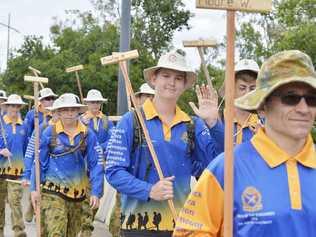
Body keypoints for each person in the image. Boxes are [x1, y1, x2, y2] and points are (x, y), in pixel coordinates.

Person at [173, 50, 316, 236]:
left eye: (312, 99)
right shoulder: (226, 168)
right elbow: (188, 232)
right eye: (291, 98)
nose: (303, 109)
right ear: (263, 105)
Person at [105, 49, 223, 237]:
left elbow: (218, 164)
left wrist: (214, 124)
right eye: (166, 76)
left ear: (184, 84)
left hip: (181, 225)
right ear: (153, 79)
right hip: (138, 225)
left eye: (178, 78)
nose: (171, 82)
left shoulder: (192, 124)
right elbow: (113, 171)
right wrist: (149, 190)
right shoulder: (131, 121)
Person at [30, 93, 104, 237]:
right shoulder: (48, 133)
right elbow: (38, 161)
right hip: (53, 192)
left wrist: (96, 191)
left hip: (78, 194)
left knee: (71, 233)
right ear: (58, 112)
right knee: (56, 232)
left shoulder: (88, 135)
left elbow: (96, 164)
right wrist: (34, 188)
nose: (69, 113)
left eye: (73, 109)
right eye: (65, 110)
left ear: (78, 111)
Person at [80, 89, 114, 236]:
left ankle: (86, 226)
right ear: (87, 103)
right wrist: (81, 125)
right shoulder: (80, 120)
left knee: (95, 198)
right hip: (82, 165)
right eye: (92, 102)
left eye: (98, 102)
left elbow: (113, 139)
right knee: (82, 200)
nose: (95, 105)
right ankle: (84, 228)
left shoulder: (106, 121)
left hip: (99, 164)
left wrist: (100, 148)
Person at [22, 98, 61, 222]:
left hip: (59, 176)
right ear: (52, 113)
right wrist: (27, 173)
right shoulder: (41, 128)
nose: (59, 116)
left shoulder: (71, 129)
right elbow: (30, 151)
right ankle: (32, 205)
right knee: (38, 190)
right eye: (56, 112)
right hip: (42, 168)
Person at [0, 94, 28, 237]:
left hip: (17, 171)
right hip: (0, 171)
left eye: (17, 106)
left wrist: (27, 173)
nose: (14, 109)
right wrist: (0, 151)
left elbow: (27, 150)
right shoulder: (0, 123)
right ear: (6, 106)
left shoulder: (24, 126)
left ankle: (19, 231)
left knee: (15, 201)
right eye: (12, 105)